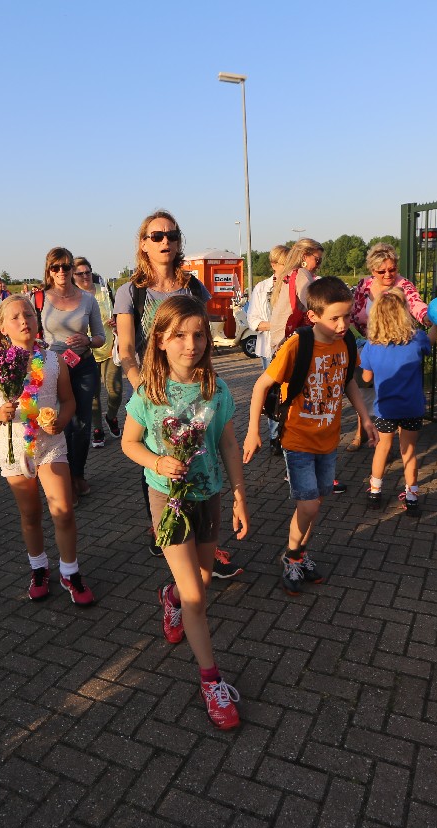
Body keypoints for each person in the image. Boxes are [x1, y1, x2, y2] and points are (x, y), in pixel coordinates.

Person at [120, 295, 249, 730]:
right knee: (198, 596)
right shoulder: (148, 393)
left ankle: (170, 597)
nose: (190, 344)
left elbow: (228, 442)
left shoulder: (217, 389)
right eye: (178, 335)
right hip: (168, 499)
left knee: (202, 581)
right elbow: (129, 443)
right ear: (159, 340)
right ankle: (211, 681)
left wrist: (239, 495)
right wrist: (157, 463)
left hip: (208, 493)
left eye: (198, 335)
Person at [115, 209, 244, 576]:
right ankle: (170, 534)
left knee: (201, 454)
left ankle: (204, 548)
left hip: (193, 385)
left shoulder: (193, 286)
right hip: (154, 389)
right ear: (143, 244)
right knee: (162, 463)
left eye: (172, 235)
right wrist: (146, 389)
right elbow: (127, 349)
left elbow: (202, 336)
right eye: (156, 236)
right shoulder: (131, 292)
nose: (165, 242)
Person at [243, 277, 378, 594]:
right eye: (335, 318)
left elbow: (348, 382)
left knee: (316, 502)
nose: (343, 325)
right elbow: (261, 385)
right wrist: (252, 431)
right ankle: (291, 557)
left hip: (328, 441)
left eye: (347, 316)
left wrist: (365, 418)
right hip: (298, 440)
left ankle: (301, 554)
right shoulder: (298, 345)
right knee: (309, 506)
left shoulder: (345, 343)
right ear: (314, 316)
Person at [0, 294, 96, 607]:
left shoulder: (53, 360)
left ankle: (70, 572)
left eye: (28, 314)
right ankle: (39, 568)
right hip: (13, 446)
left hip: (50, 445)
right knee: (30, 514)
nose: (24, 321)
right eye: (14, 317)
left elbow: (68, 401)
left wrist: (61, 421)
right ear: (2, 327)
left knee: (63, 511)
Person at [348, 242, 429, 451]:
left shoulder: (403, 285)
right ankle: (361, 433)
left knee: (390, 391)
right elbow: (354, 312)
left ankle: (391, 443)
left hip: (396, 345)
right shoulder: (364, 285)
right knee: (364, 389)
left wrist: (427, 316)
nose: (387, 274)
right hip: (369, 344)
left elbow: (416, 304)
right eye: (381, 271)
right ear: (372, 270)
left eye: (392, 269)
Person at [39, 248, 105, 502]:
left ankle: (77, 474)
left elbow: (100, 337)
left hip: (83, 366)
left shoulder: (87, 299)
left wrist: (87, 340)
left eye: (66, 266)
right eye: (55, 267)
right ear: (48, 270)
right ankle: (63, 479)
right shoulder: (39, 298)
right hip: (53, 368)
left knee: (82, 423)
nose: (61, 272)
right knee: (60, 422)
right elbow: (30, 332)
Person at [359, 291, 433, 511]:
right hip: (412, 407)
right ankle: (411, 496)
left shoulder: (372, 345)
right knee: (408, 451)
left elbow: (366, 378)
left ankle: (375, 491)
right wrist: (436, 324)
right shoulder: (417, 338)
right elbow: (431, 341)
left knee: (382, 448)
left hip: (386, 408)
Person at [73, 259, 121, 448]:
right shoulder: (73, 296)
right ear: (73, 276)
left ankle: (111, 417)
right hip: (87, 352)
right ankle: (97, 429)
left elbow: (117, 312)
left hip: (109, 348)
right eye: (80, 273)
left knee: (115, 391)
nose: (85, 276)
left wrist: (116, 320)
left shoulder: (104, 289)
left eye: (88, 272)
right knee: (92, 395)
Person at [247, 245, 286, 450]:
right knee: (272, 392)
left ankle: (289, 433)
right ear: (273, 265)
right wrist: (277, 325)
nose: (288, 269)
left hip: (291, 346)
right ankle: (275, 436)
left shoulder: (294, 286)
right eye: (284, 264)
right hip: (269, 349)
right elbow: (253, 320)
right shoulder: (261, 288)